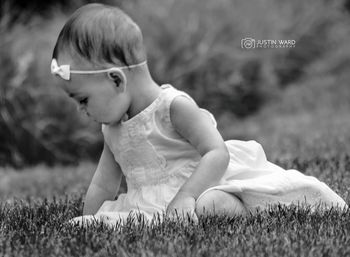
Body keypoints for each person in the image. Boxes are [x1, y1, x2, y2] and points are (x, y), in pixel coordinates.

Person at [51, 3, 347, 226]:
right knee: (119, 221)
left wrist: (186, 197)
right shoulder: (112, 129)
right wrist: (88, 221)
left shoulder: (173, 106)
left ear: (117, 80)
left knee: (210, 205)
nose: (81, 110)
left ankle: (239, 208)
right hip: (152, 201)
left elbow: (216, 153)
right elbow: (104, 183)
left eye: (83, 99)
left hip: (203, 184)